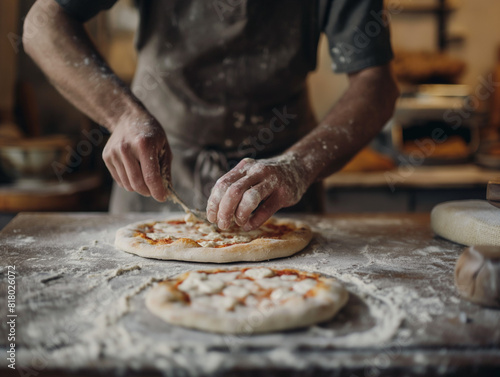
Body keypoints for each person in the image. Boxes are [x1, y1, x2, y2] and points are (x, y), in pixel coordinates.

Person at [24, 0, 399, 231]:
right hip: (156, 177)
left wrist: (297, 166)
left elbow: (376, 83)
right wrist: (121, 116)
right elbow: (44, 22)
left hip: (281, 192)